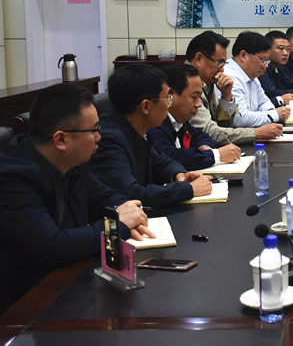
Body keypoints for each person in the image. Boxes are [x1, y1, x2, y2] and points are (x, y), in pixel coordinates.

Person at [0, 84, 154, 313]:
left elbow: (108, 197)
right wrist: (117, 225)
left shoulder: (71, 161)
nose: (99, 137)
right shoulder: (12, 179)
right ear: (61, 139)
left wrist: (127, 213)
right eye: (94, 130)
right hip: (24, 307)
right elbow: (56, 246)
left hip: (70, 283)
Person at [88, 64, 213, 207]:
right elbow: (130, 194)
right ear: (146, 106)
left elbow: (163, 162)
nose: (169, 105)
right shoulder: (108, 140)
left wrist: (179, 175)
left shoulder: (135, 131)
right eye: (167, 98)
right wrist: (188, 189)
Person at [185, 31, 282, 144]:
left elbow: (224, 125)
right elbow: (210, 132)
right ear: (198, 59)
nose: (222, 70)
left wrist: (227, 96)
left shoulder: (208, 81)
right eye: (219, 62)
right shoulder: (185, 83)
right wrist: (256, 133)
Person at [149, 64, 242, 171]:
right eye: (194, 97)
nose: (199, 104)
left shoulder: (181, 121)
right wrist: (216, 155)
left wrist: (204, 147)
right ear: (170, 94)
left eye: (199, 97)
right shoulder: (154, 124)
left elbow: (201, 136)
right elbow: (170, 158)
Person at [226, 31, 290, 129]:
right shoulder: (230, 76)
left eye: (267, 61)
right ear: (243, 55)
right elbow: (239, 119)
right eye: (262, 60)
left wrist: (271, 110)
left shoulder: (252, 76)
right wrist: (275, 115)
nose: (266, 65)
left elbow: (263, 101)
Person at [259, 30, 293, 105]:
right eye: (281, 48)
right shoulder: (261, 68)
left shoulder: (279, 67)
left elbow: (290, 83)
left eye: (288, 49)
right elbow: (271, 93)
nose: (285, 53)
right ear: (268, 50)